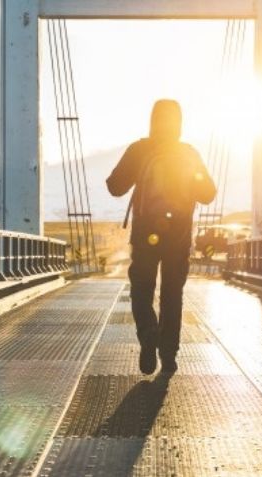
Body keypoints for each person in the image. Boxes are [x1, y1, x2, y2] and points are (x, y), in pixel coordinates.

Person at [106, 99, 216, 374]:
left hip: (145, 234)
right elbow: (208, 194)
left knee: (141, 289)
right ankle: (168, 354)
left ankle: (148, 335)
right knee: (172, 293)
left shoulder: (141, 149)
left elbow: (115, 187)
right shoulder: (189, 153)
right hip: (178, 236)